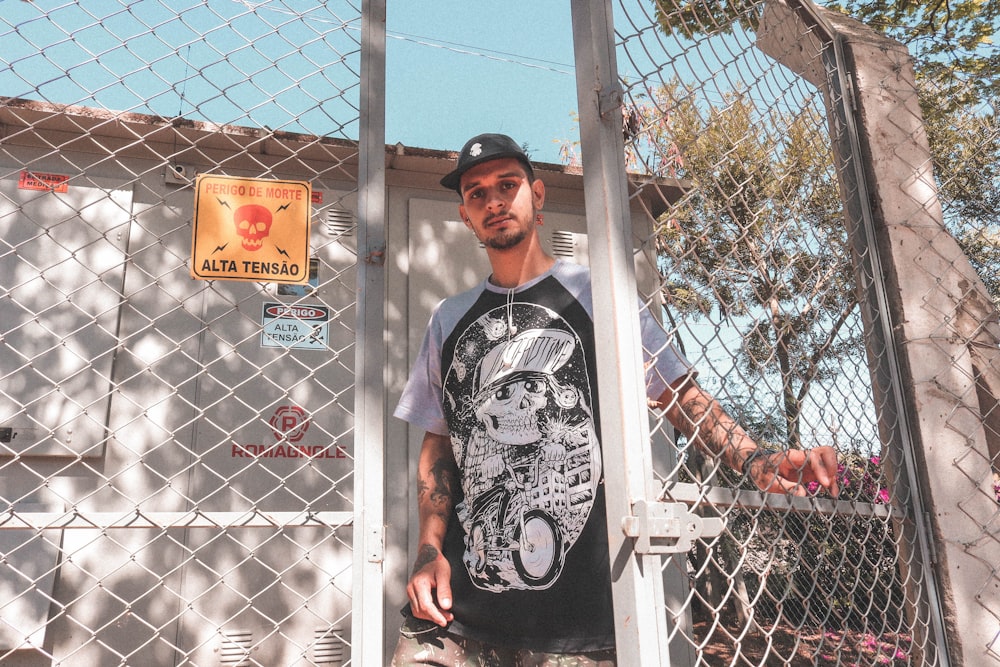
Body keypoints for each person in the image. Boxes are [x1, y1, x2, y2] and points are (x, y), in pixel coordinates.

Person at [391, 133, 840, 666]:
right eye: (476, 193)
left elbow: (679, 395)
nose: (493, 201)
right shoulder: (449, 318)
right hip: (460, 606)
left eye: (507, 185)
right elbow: (439, 444)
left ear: (537, 195)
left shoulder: (598, 295)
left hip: (581, 613)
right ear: (465, 215)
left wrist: (756, 459)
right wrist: (429, 551)